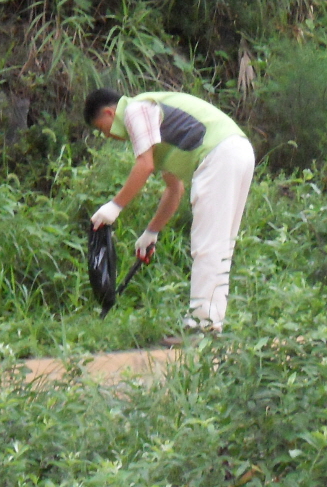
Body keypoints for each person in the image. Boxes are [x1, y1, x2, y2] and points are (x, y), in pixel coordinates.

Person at [84, 87, 255, 335]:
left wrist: (114, 206)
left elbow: (144, 165)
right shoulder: (158, 129)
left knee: (208, 246)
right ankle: (210, 324)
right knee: (219, 246)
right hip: (236, 151)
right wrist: (151, 232)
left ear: (110, 113)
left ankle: (201, 326)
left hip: (220, 154)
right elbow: (174, 189)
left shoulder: (135, 110)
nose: (108, 136)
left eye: (103, 129)